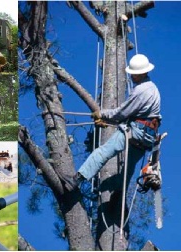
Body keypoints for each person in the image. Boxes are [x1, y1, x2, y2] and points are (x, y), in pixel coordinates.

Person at [60, 54, 161, 192]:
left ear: (144, 72)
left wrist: (102, 114)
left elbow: (121, 113)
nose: (132, 76)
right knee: (127, 172)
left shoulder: (141, 91)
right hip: (147, 137)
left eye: (135, 74)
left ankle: (77, 179)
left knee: (103, 152)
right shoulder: (153, 89)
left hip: (136, 132)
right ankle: (118, 203)